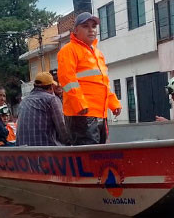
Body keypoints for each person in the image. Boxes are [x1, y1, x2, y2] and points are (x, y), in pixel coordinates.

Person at [57, 12, 121, 145]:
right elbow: (67, 79)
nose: (91, 29)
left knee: (99, 155)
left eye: (93, 26)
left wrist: (113, 103)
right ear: (75, 30)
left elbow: (103, 83)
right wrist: (79, 103)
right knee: (89, 157)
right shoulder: (69, 50)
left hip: (99, 114)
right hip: (81, 115)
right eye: (86, 26)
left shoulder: (97, 54)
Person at [16, 72, 69, 146]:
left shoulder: (24, 101)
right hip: (45, 150)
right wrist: (70, 142)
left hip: (22, 150)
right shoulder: (51, 99)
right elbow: (62, 129)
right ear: (51, 87)